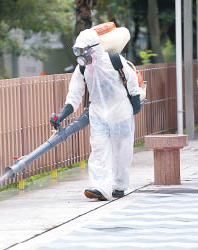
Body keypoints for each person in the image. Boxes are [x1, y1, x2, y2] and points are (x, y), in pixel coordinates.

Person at [50, 28, 142, 201]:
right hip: (98, 115)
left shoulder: (115, 60)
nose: (81, 56)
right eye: (78, 52)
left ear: (94, 48)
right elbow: (74, 95)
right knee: (99, 150)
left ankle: (119, 185)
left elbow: (132, 83)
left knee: (122, 153)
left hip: (121, 114)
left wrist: (135, 104)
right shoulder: (82, 69)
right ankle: (99, 187)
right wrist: (61, 115)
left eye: (83, 51)